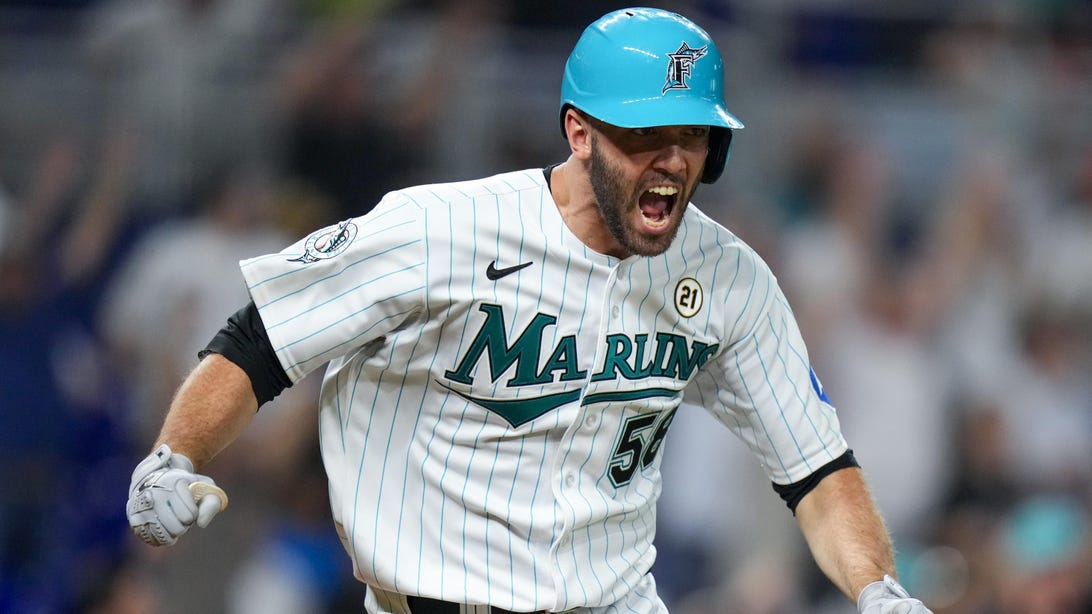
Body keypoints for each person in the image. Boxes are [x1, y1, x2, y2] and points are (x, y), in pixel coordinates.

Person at [125, 8, 932, 614]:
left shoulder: (729, 278)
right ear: (579, 132)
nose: (675, 159)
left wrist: (876, 588)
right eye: (649, 133)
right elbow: (260, 341)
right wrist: (176, 453)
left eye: (694, 135)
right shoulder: (440, 229)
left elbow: (818, 468)